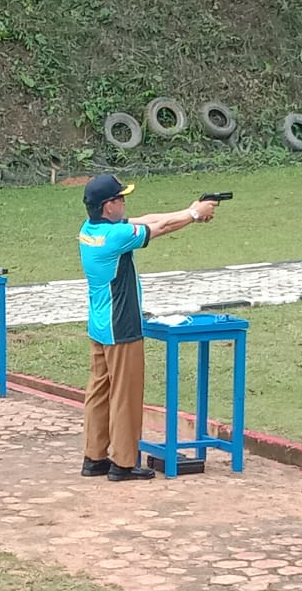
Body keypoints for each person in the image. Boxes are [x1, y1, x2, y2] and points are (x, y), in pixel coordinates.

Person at [78, 174, 217, 482]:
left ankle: (95, 457)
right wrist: (195, 216)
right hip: (121, 325)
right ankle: (124, 463)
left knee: (99, 392)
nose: (125, 203)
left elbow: (149, 219)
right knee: (125, 395)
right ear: (108, 206)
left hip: (100, 325)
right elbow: (160, 228)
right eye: (121, 199)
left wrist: (190, 209)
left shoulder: (91, 230)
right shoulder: (116, 237)